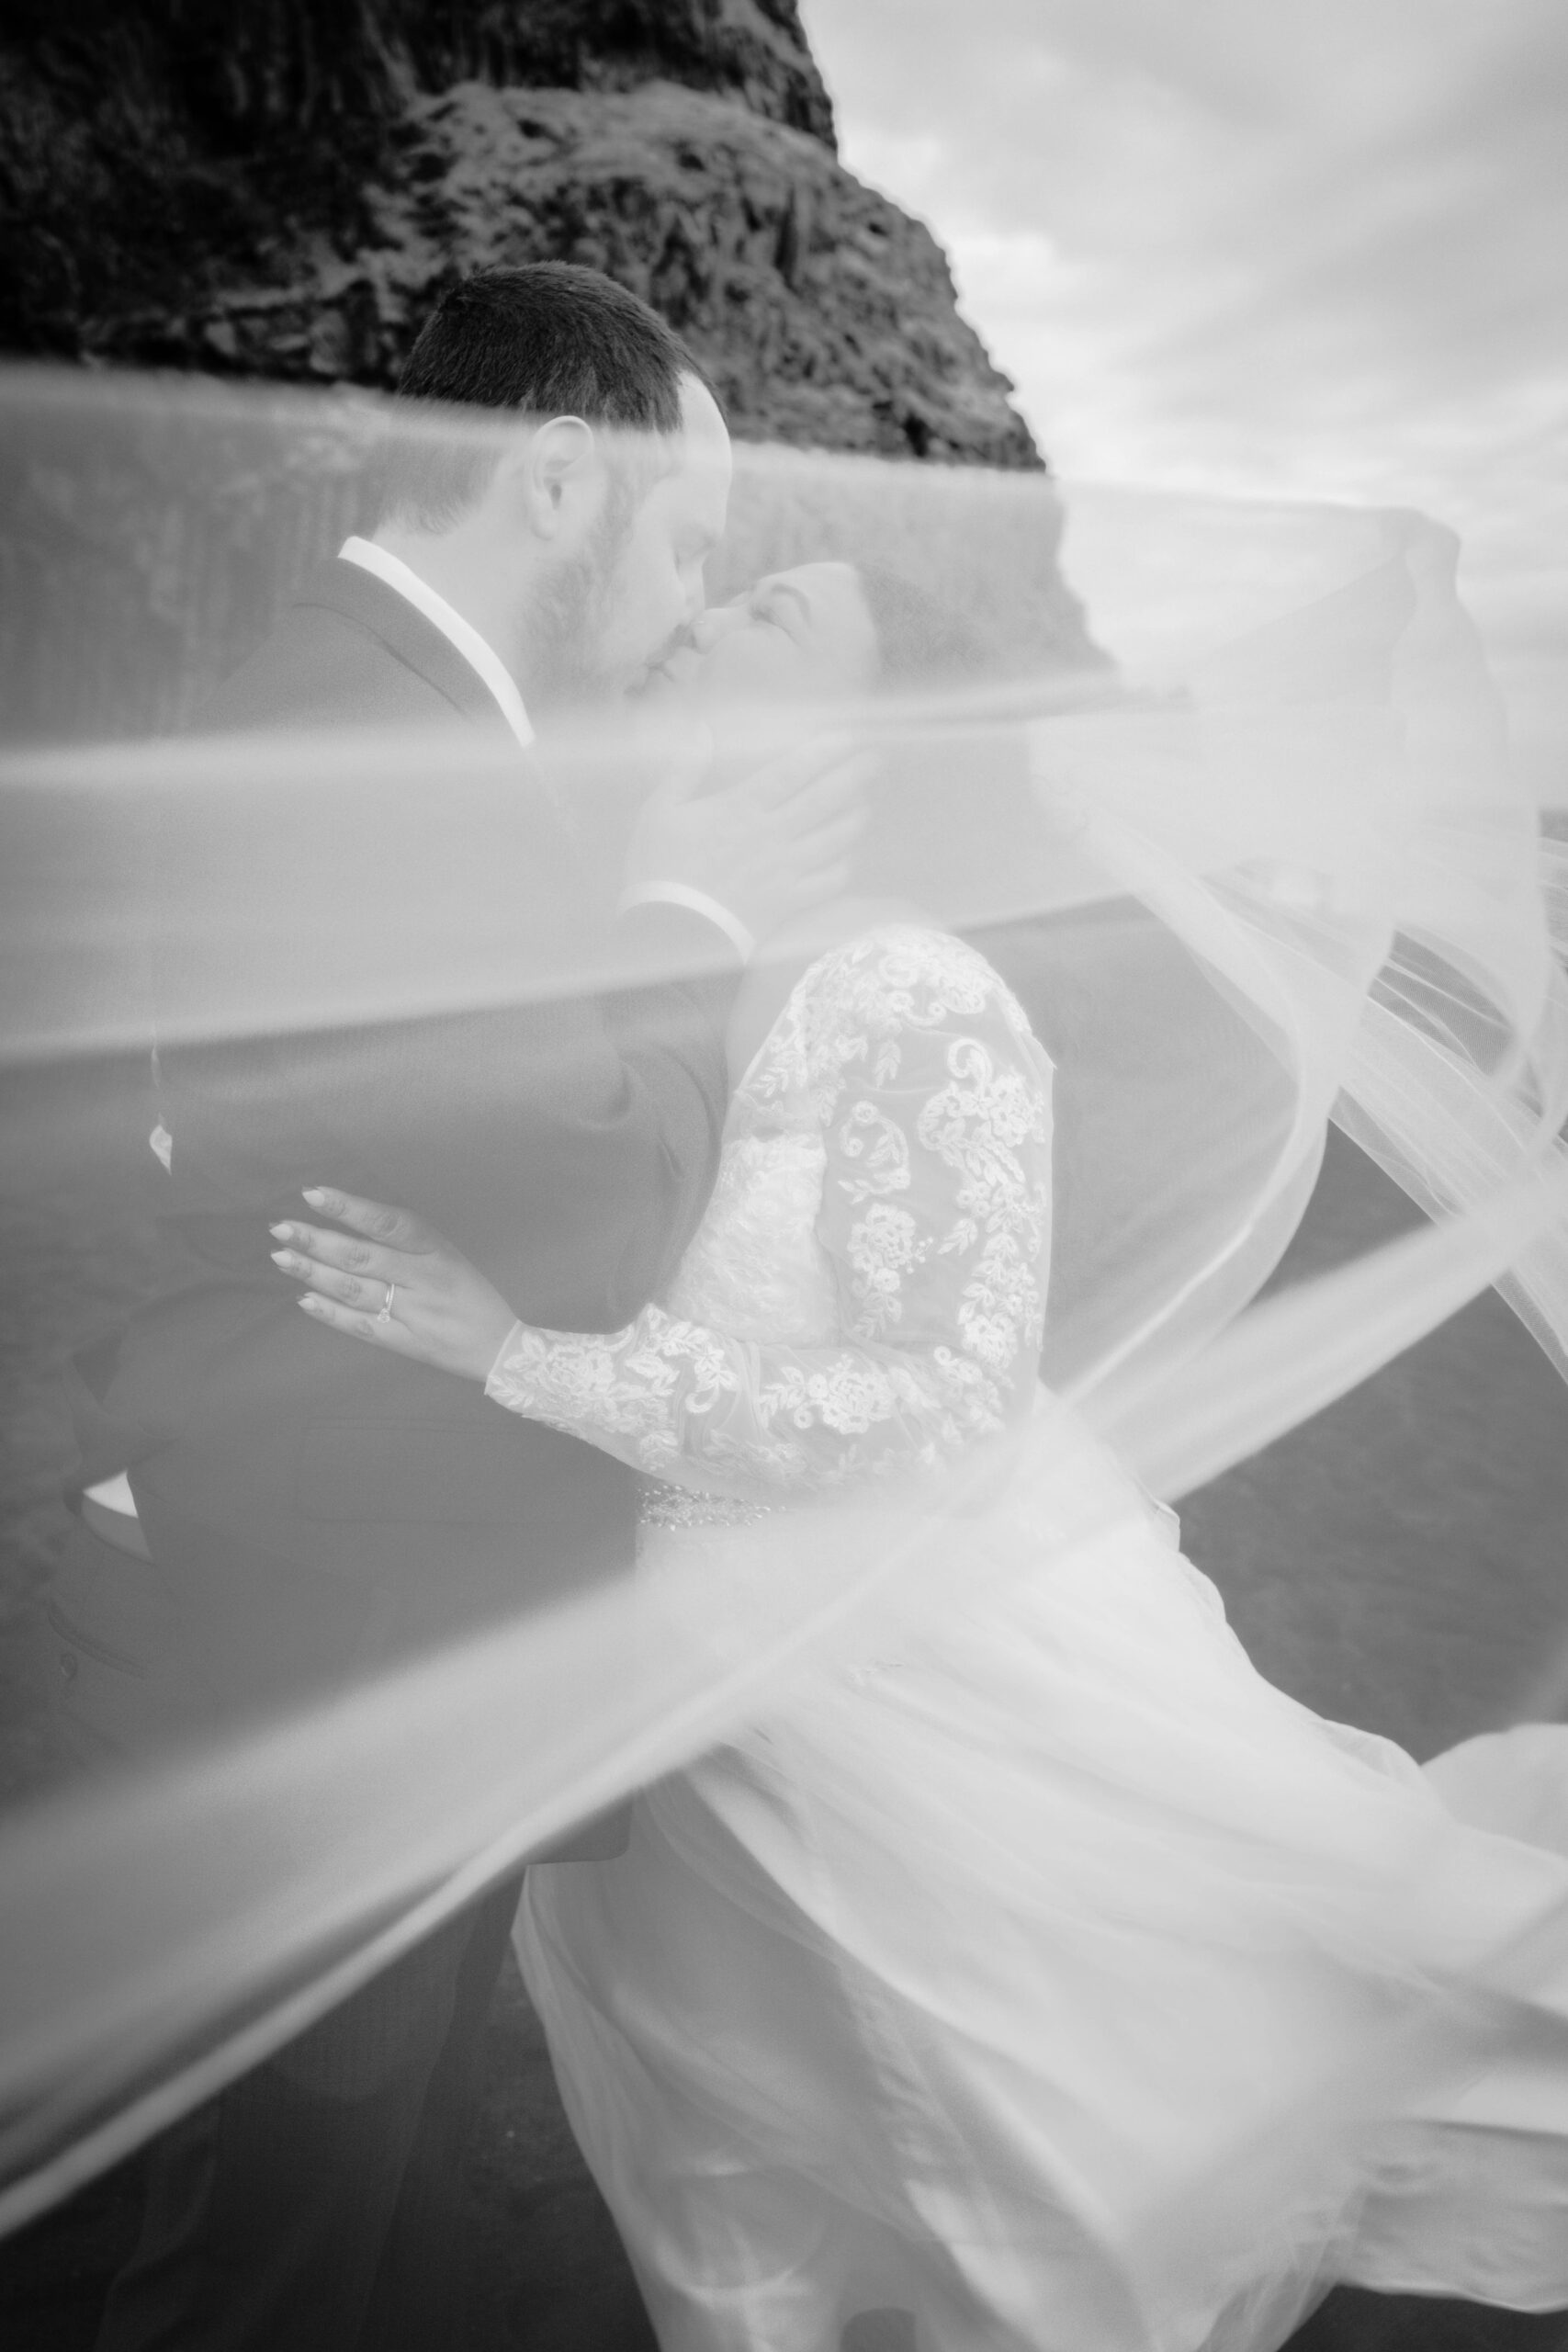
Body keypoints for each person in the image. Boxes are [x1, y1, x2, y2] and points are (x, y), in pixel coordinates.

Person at [276, 557, 1568, 2351]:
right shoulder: (639, 940)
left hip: (906, 1676)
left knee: (1067, 2126)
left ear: (875, 729)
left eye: (785, 615)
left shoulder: (905, 992)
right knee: (724, 2127)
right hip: (675, 1683)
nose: (717, 608)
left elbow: (946, 1410)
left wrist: (523, 1356)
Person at [67, 270, 863, 2352]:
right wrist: (692, 919)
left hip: (358, 1563)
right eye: (683, 537)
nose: (687, 589)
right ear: (558, 474)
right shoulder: (370, 740)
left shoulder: (375, 708)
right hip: (338, 1607)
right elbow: (591, 1191)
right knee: (275, 2226)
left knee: (357, 2179)